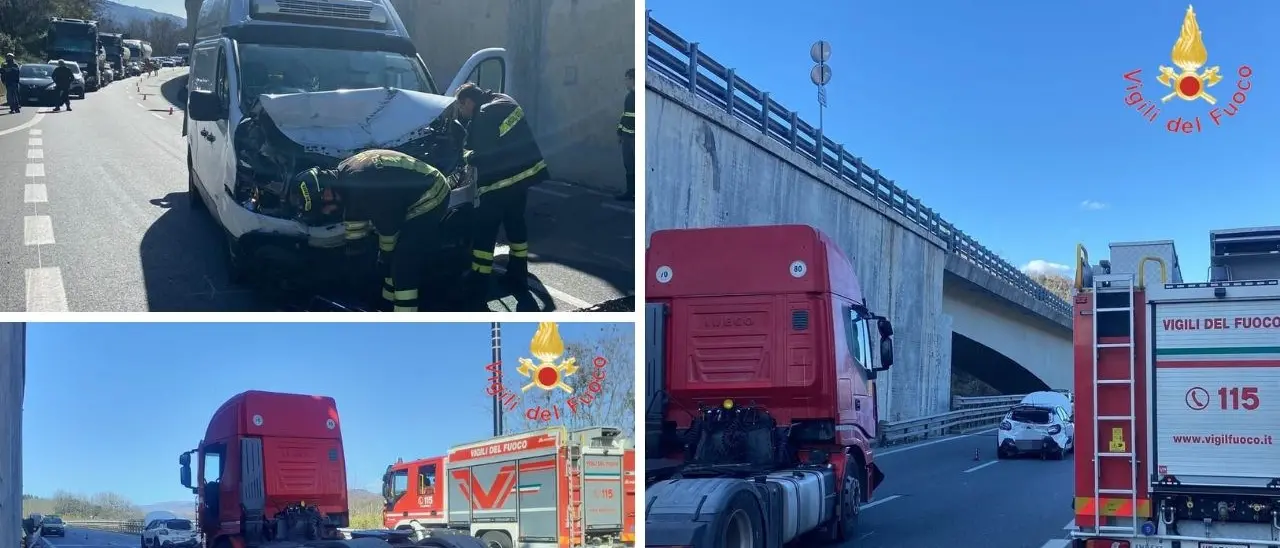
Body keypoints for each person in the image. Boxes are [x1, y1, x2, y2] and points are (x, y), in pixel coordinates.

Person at [291, 149, 450, 312]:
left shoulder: (365, 187)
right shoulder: (347, 176)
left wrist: (383, 258)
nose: (327, 212)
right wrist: (355, 254)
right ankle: (386, 305)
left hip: (430, 194)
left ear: (326, 193)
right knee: (390, 264)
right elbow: (354, 215)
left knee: (403, 263)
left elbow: (389, 231)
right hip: (405, 196)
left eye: (322, 207)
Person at [453, 83, 548, 303]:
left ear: (468, 101)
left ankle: (478, 282)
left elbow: (481, 154)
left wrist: (465, 155)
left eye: (461, 106)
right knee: (516, 225)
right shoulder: (504, 100)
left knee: (485, 231)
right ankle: (518, 275)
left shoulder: (483, 114)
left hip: (498, 183)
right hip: (523, 177)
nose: (462, 112)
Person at [617, 68, 636, 201]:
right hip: (627, 137)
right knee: (628, 165)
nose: (625, 82)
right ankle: (630, 192)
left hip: (634, 137)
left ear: (632, 79)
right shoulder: (629, 96)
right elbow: (625, 116)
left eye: (626, 79)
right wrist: (620, 132)